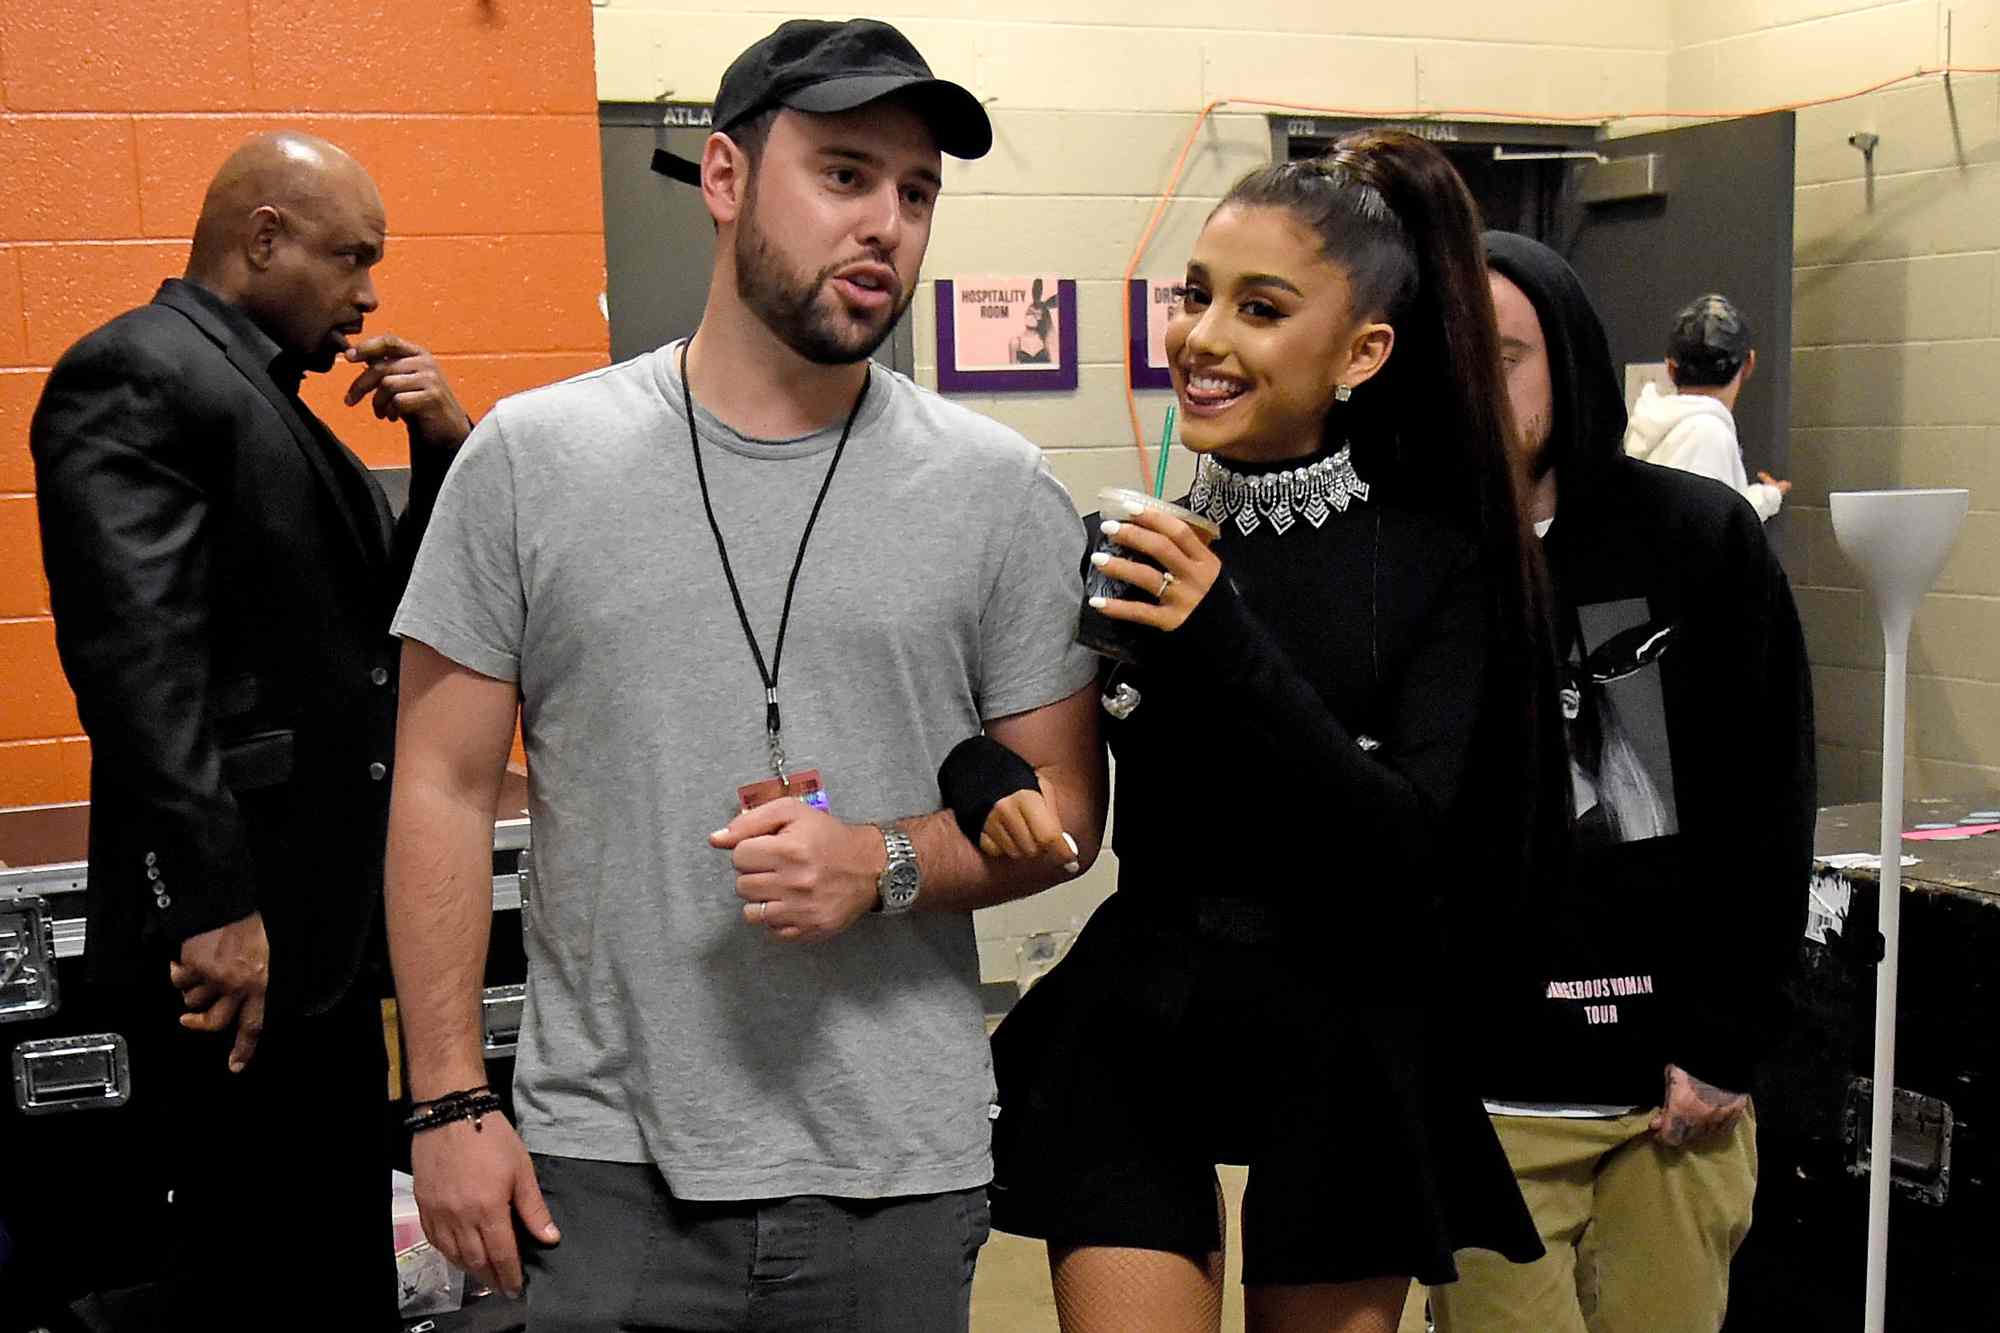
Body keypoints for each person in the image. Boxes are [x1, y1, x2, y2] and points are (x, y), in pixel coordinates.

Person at [384, 18, 1107, 1331]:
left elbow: (1063, 811)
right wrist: (445, 1098)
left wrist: (881, 863)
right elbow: (438, 785)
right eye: (845, 174)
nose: (888, 221)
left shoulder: (998, 494)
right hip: (600, 1169)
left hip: (895, 1174)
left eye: (919, 190)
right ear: (723, 178)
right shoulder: (531, 465)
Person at [982, 134, 1569, 1333]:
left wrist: (1224, 638)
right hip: (1139, 1013)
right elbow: (1056, 783)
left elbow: (1408, 846)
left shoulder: (1438, 560)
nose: (1202, 338)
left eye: (1259, 308)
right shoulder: (1138, 544)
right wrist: (973, 766)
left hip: (1347, 1027)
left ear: (1361, 351)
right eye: (1194, 294)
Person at [29, 131, 472, 1327]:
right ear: (262, 235)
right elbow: (136, 665)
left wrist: (443, 456)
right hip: (235, 944)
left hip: (311, 935)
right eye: (351, 257)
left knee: (323, 1257)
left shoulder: (254, 393)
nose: (369, 293)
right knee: (259, 1270)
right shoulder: (135, 370)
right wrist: (214, 908)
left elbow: (381, 632)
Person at [1428, 233, 1816, 1333]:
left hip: (1671, 1101)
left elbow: (1766, 794)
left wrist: (1727, 1038)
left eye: (1501, 354)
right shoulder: (1414, 554)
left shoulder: (1693, 534)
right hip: (1491, 1105)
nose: (1473, 383)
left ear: (1568, 355)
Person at [1622, 293, 1788, 521]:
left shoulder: (1651, 428)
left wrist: (1766, 498)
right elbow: (1706, 533)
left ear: (1670, 368)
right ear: (1749, 363)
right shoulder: (1709, 436)